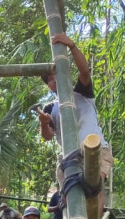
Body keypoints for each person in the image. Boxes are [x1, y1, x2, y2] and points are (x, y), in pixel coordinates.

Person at [38, 33, 113, 187]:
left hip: (95, 148)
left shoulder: (81, 92)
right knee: (69, 195)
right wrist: (44, 123)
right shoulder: (50, 108)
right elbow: (47, 136)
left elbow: (85, 72)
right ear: (49, 86)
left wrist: (72, 46)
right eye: (51, 80)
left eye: (57, 76)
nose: (55, 81)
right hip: (70, 157)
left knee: (95, 188)